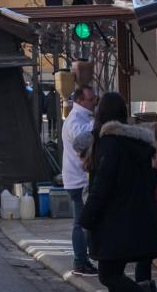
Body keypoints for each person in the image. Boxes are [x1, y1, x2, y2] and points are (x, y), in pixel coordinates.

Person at [79, 92, 157, 292]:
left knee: (108, 275)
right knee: (114, 275)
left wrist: (87, 217)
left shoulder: (109, 143)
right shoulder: (138, 143)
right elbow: (151, 179)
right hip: (137, 218)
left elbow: (102, 185)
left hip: (115, 220)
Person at [61, 85, 98, 277]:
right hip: (78, 179)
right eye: (91, 100)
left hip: (78, 177)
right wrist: (98, 125)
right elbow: (81, 141)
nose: (94, 103)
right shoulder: (76, 119)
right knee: (80, 222)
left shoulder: (82, 117)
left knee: (84, 221)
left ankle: (85, 258)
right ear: (80, 101)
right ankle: (80, 261)